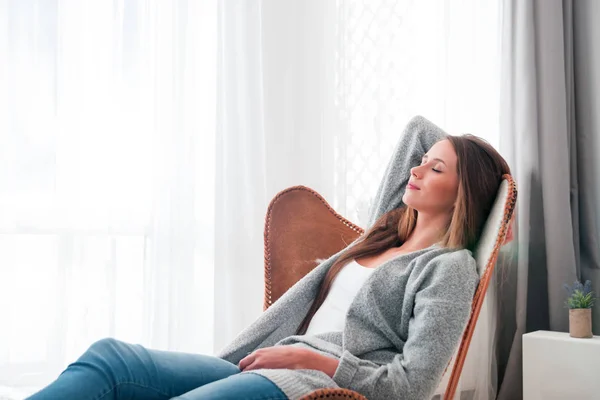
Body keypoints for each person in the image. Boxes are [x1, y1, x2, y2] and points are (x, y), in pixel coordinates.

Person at [27, 116, 515, 400]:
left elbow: (413, 387)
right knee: (111, 359)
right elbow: (418, 129)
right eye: (421, 160)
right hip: (274, 362)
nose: (416, 169)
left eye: (435, 169)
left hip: (313, 386)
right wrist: (447, 157)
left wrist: (316, 362)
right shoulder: (385, 231)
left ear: (463, 193)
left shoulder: (447, 268)